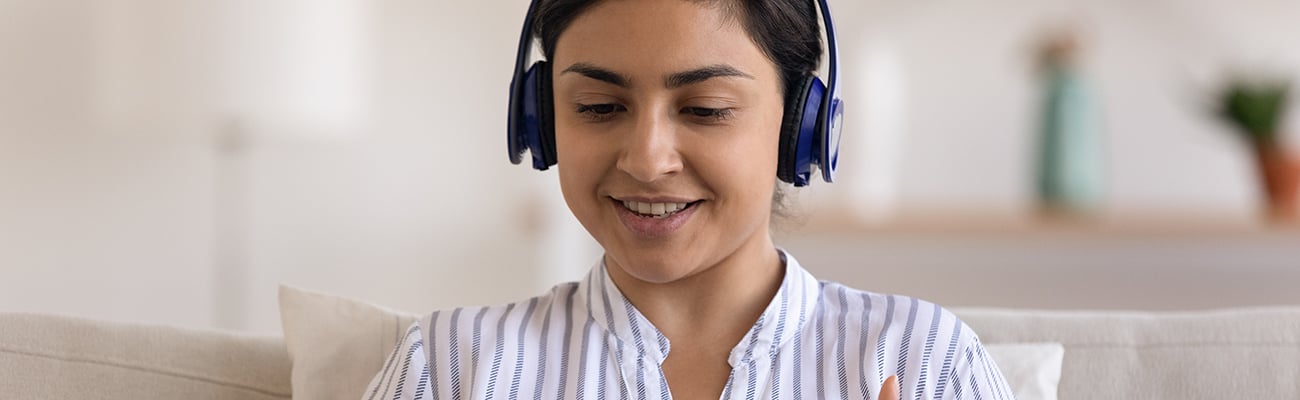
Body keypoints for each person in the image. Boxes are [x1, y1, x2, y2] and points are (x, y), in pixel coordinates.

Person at [363, 0, 1015, 399]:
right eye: (597, 106)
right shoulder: (449, 368)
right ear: (541, 118)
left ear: (800, 129)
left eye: (705, 109)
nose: (647, 159)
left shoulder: (928, 363)